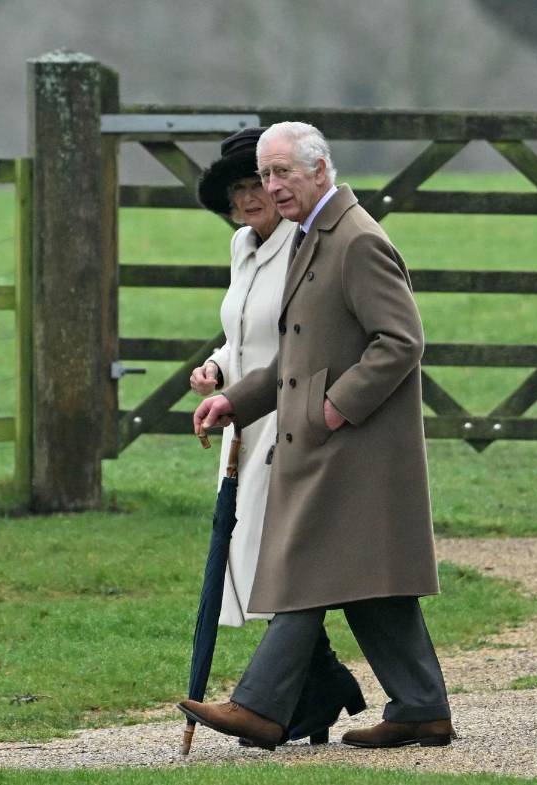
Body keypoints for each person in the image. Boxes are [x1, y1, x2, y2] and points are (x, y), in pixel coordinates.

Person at [183, 121, 454, 749]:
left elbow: (402, 340)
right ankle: (421, 708)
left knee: (309, 566)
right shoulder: (311, 237)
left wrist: (336, 406)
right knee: (364, 580)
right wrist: (235, 400)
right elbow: (294, 358)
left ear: (321, 170)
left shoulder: (355, 240)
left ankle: (261, 706)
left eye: (282, 173)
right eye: (266, 173)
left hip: (354, 443)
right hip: (325, 440)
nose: (272, 187)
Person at [188, 126, 366, 747]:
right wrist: (217, 367)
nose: (251, 196)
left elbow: (305, 337)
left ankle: (283, 696)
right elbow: (245, 331)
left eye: (260, 181)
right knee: (265, 555)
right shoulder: (243, 246)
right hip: (244, 414)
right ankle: (322, 686)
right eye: (239, 187)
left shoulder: (306, 241)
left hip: (293, 416)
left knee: (280, 555)